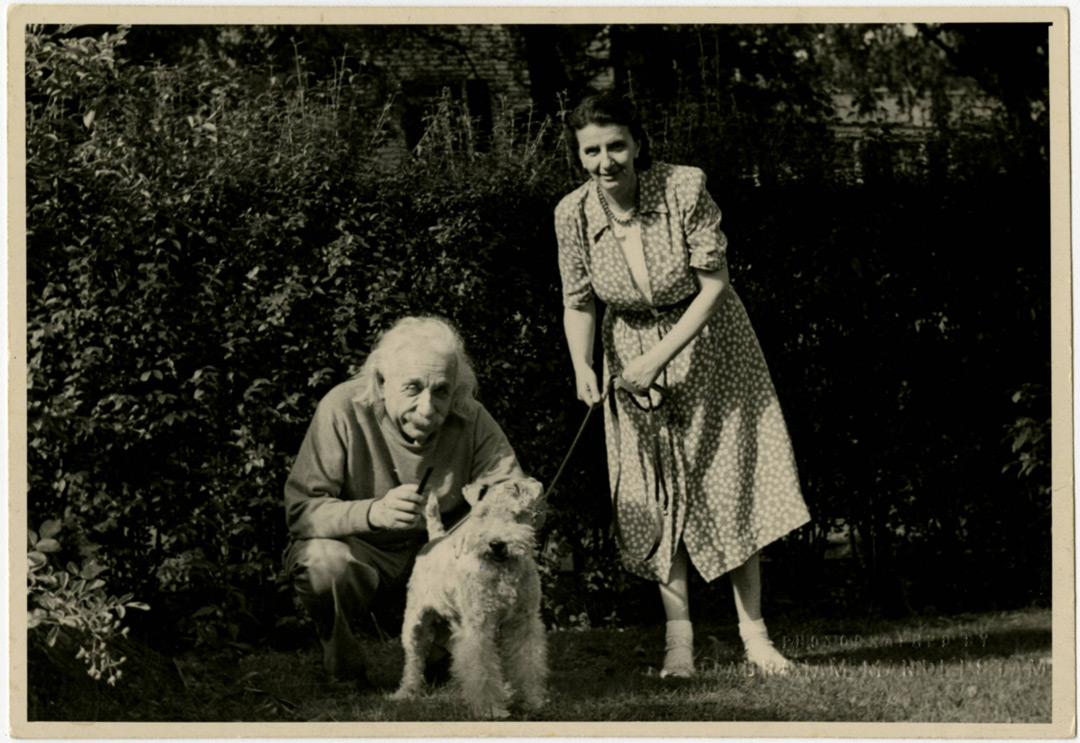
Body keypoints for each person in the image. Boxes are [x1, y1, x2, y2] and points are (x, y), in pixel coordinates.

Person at [554, 91, 811, 678]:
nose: (605, 161)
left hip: (712, 345)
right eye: (591, 151)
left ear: (638, 144)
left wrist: (658, 359)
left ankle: (756, 638)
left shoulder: (684, 187)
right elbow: (577, 303)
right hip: (631, 352)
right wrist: (583, 366)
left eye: (616, 145)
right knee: (654, 492)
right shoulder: (572, 214)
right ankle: (679, 646)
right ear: (579, 155)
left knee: (731, 482)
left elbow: (714, 285)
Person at [283, 316, 527, 681]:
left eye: (441, 390)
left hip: (441, 554)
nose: (428, 409)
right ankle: (339, 645)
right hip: (363, 554)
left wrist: (515, 513)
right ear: (381, 383)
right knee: (322, 561)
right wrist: (372, 513)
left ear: (456, 388)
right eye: (412, 388)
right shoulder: (342, 408)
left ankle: (445, 647)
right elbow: (303, 511)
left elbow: (513, 493)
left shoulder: (471, 416)